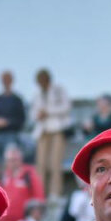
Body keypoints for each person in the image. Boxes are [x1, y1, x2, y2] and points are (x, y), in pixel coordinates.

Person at [29, 69, 70, 199]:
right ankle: (40, 194)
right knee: (40, 165)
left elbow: (66, 107)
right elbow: (32, 113)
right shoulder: (37, 94)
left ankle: (55, 194)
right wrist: (38, 115)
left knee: (55, 163)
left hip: (56, 130)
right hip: (42, 131)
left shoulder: (59, 90)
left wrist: (48, 111)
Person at [0, 70, 27, 162]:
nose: (6, 82)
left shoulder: (17, 100)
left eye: (8, 79)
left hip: (11, 134)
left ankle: (9, 176)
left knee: (10, 158)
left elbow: (21, 120)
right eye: (4, 79)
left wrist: (6, 123)